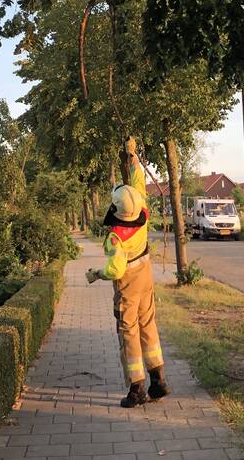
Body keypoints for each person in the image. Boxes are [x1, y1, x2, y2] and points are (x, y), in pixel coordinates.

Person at [86, 137, 170, 408]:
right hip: (146, 278)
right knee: (149, 325)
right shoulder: (141, 207)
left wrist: (96, 273)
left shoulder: (115, 238)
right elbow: (136, 178)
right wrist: (131, 154)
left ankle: (136, 390)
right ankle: (158, 380)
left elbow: (115, 268)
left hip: (127, 287)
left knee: (129, 332)